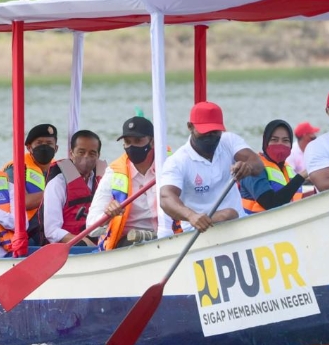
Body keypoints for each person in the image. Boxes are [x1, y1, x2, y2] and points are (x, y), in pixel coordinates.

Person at [160, 101, 264, 233]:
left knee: (229, 214)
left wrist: (247, 167)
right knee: (228, 214)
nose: (210, 136)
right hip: (198, 231)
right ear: (190, 127)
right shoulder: (177, 161)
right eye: (205, 131)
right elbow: (165, 197)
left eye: (215, 131)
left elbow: (257, 163)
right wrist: (191, 216)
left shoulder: (229, 141)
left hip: (237, 225)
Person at [87, 116, 158, 250]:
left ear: (153, 142)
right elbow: (91, 227)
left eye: (138, 141)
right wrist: (107, 215)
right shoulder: (113, 173)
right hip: (128, 244)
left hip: (168, 237)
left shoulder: (170, 166)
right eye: (127, 141)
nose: (132, 146)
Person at [40, 130, 107, 246]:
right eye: (81, 152)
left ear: (98, 156)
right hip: (70, 247)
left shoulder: (105, 181)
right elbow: (51, 230)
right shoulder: (57, 184)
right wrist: (84, 242)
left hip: (101, 241)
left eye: (92, 153)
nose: (86, 157)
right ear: (71, 154)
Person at [3, 123, 58, 246]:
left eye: (49, 144)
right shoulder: (15, 168)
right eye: (39, 143)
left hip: (57, 229)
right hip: (29, 233)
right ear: (29, 147)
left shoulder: (62, 168)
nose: (44, 147)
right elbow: (23, 201)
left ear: (56, 148)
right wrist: (57, 194)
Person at [240, 119, 307, 214]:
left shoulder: (287, 168)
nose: (280, 144)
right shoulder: (252, 168)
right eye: (274, 140)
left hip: (287, 222)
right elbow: (271, 203)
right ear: (265, 141)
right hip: (258, 225)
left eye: (285, 140)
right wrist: (302, 176)